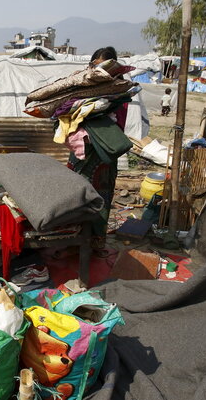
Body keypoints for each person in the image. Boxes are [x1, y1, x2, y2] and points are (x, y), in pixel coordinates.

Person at [68, 46, 126, 256]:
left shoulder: (119, 91)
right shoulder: (84, 87)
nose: (97, 70)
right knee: (75, 196)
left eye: (101, 66)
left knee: (101, 198)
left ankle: (95, 242)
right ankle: (72, 239)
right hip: (81, 152)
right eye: (94, 65)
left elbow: (117, 125)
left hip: (103, 153)